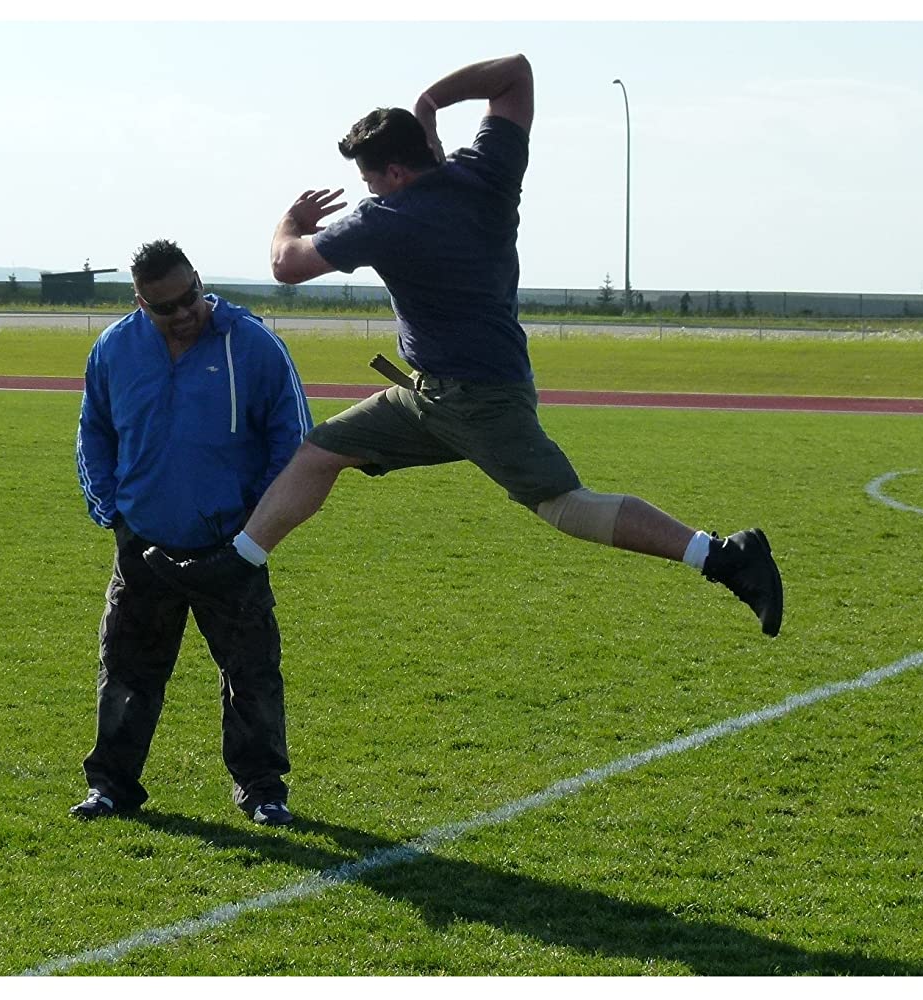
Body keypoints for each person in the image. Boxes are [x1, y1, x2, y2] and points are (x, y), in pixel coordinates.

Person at [146, 54, 782, 637]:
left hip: (479, 401)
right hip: (428, 396)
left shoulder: (385, 219)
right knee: (320, 452)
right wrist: (430, 100)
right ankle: (237, 563)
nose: (368, 190)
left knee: (564, 506)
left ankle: (724, 555)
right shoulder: (487, 173)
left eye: (370, 179)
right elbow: (516, 73)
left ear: (395, 172)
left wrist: (292, 219)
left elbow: (285, 264)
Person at [73, 239, 313, 825]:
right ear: (140, 303)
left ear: (200, 281)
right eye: (165, 307)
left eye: (191, 296)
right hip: (142, 545)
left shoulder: (253, 345)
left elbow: (293, 440)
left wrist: (253, 527)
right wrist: (113, 513)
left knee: (251, 671)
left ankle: (263, 790)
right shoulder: (114, 349)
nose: (184, 312)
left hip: (230, 549)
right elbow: (94, 432)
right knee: (125, 671)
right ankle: (111, 786)